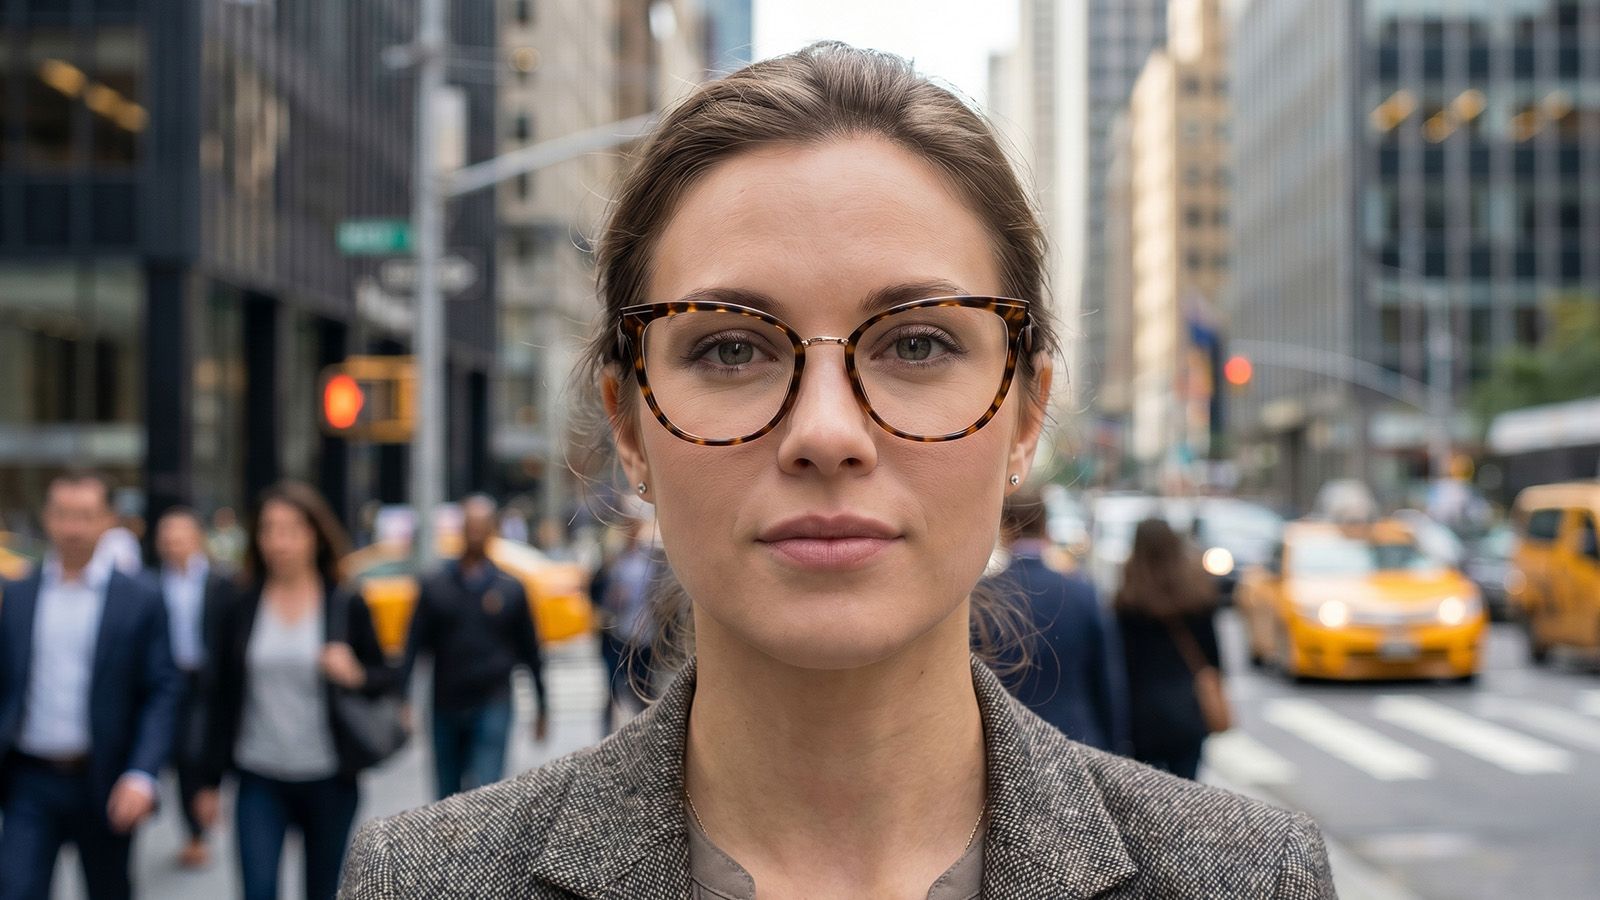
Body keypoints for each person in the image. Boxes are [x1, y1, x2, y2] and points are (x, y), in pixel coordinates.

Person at [340, 43, 1334, 898]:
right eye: (729, 348)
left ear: (1025, 414)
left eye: (915, 345)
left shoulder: (1248, 875)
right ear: (629, 425)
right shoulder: (418, 879)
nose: (826, 432)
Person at [195, 482, 400, 900]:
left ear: (314, 536)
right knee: (258, 890)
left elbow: (385, 677)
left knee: (323, 891)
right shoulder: (238, 603)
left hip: (329, 778)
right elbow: (219, 695)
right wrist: (206, 781)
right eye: (269, 530)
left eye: (290, 530)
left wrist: (355, 673)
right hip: (258, 776)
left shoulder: (344, 603)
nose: (278, 542)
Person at [0, 470, 184, 900]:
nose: (73, 528)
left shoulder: (139, 597)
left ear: (107, 520)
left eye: (85, 515)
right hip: (30, 778)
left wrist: (142, 774)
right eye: (63, 514)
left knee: (109, 889)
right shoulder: (19, 595)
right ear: (47, 518)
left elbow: (163, 688)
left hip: (105, 779)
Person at [401, 495, 548, 799]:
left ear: (493, 530)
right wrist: (404, 700)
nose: (475, 533)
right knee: (446, 796)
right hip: (445, 703)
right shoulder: (435, 586)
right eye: (470, 526)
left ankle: (481, 848)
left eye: (482, 526)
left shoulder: (510, 588)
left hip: (493, 700)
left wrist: (542, 705)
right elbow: (413, 646)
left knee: (487, 790)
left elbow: (531, 651)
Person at [990, 488, 1128, 753]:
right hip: (1078, 740)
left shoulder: (983, 599)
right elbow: (1108, 682)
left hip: (1005, 747)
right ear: (1045, 526)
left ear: (1004, 527)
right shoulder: (1082, 593)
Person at [151, 506, 237, 869]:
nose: (174, 546)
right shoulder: (153, 584)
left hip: (207, 680)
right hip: (168, 678)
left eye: (180, 538)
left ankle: (200, 823)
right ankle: (193, 826)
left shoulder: (221, 582)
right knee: (177, 756)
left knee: (195, 751)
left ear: (197, 539)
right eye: (167, 540)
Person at [1114, 517, 1224, 780]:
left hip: (1141, 714)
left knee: (1146, 800)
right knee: (1187, 794)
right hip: (1188, 711)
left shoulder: (1127, 602)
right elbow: (1214, 659)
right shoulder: (1197, 597)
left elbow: (1120, 664)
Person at [590, 510, 662, 733]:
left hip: (644, 635)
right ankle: (607, 736)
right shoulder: (612, 561)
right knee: (612, 688)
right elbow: (595, 590)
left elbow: (662, 596)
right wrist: (609, 598)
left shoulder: (652, 560)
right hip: (616, 633)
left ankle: (646, 732)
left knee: (643, 688)